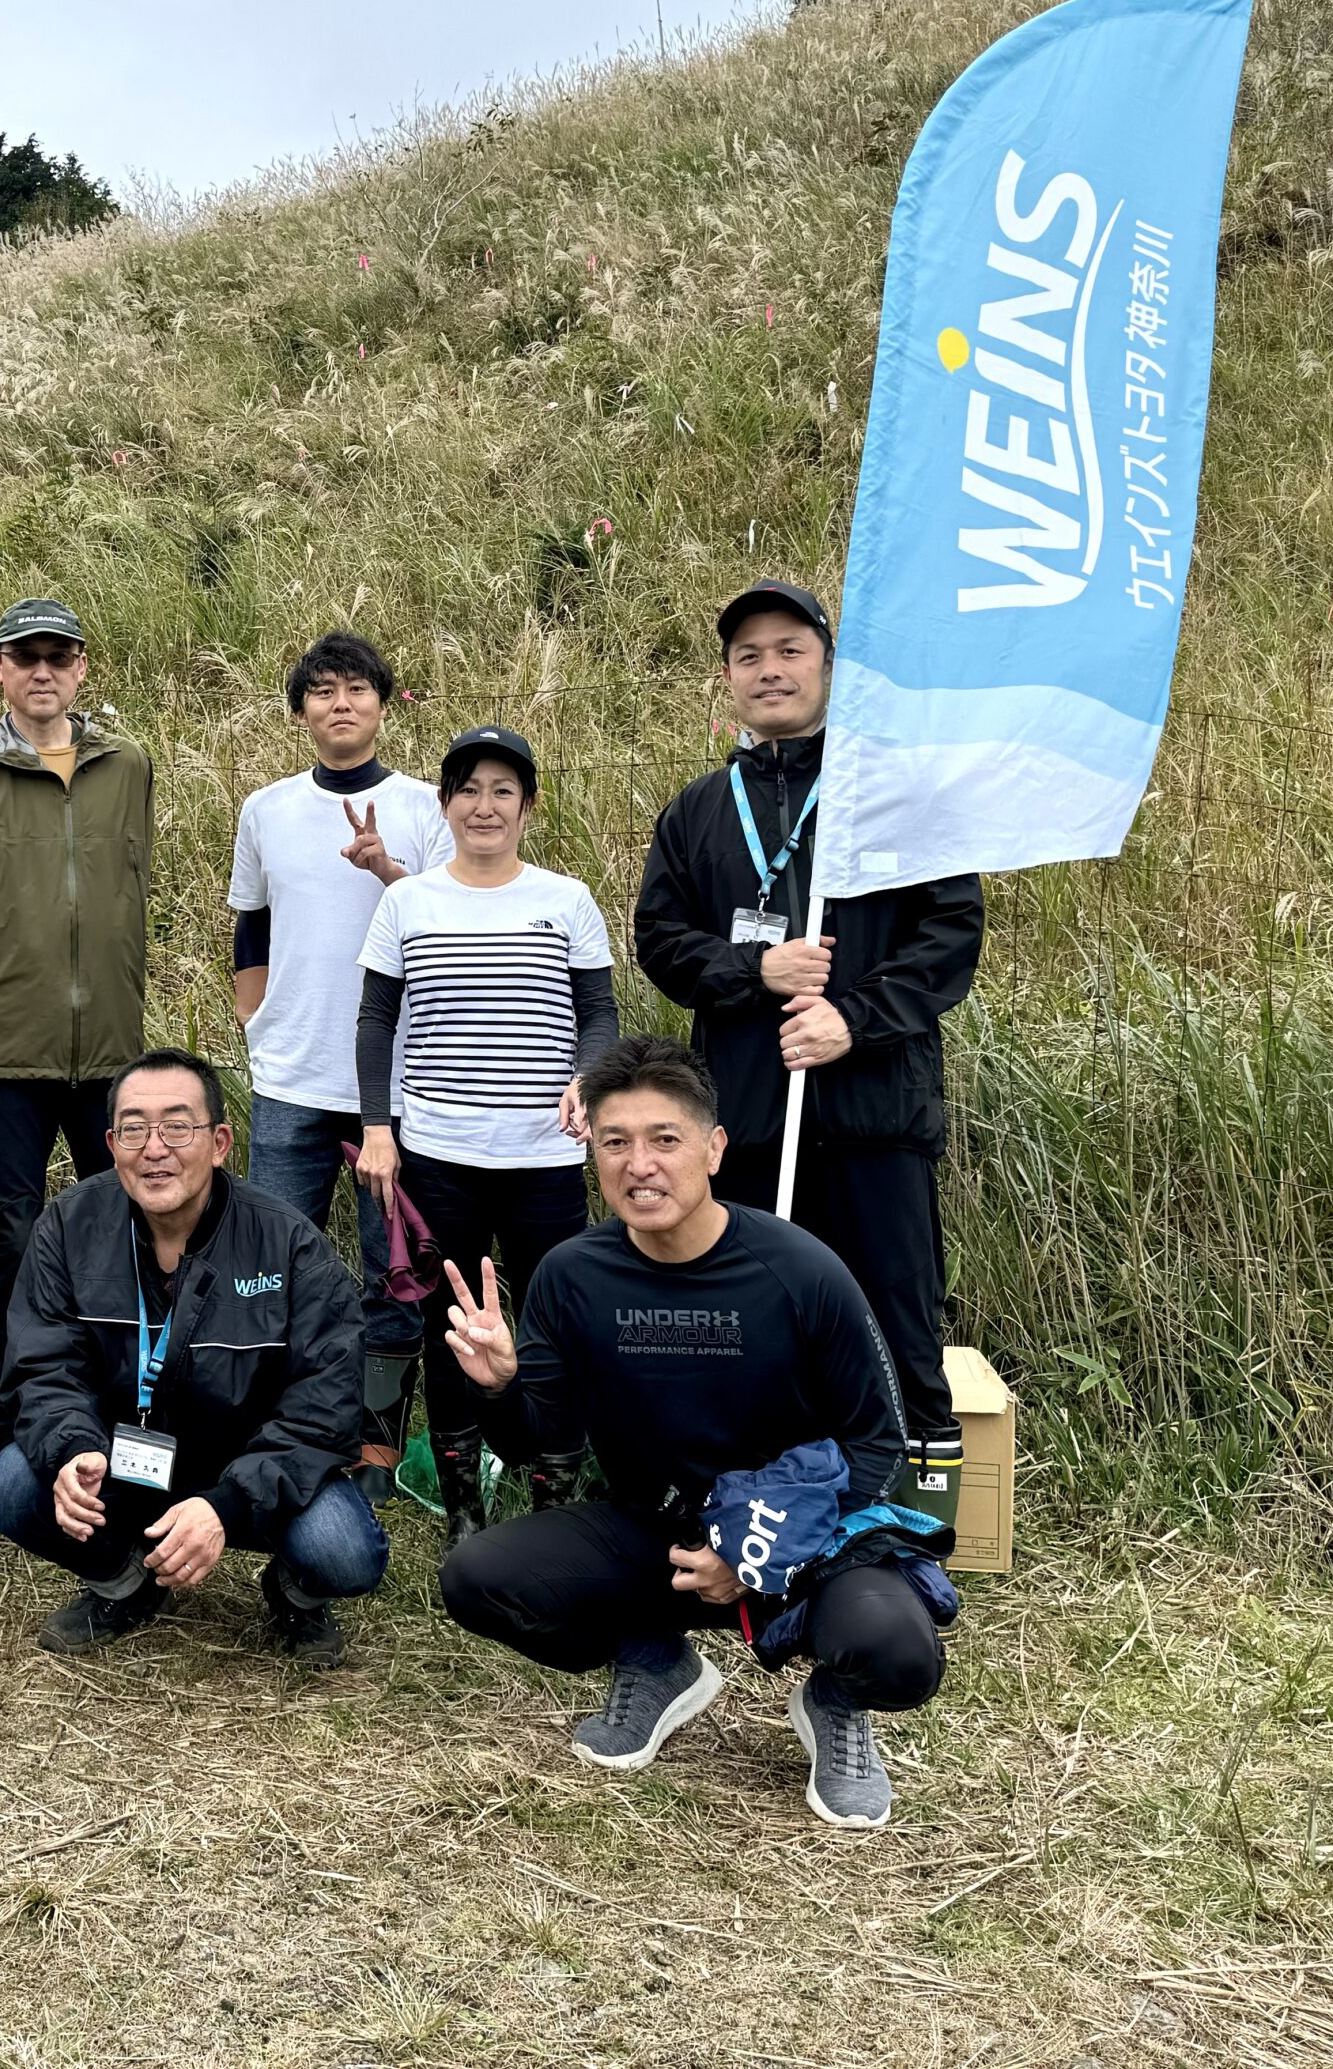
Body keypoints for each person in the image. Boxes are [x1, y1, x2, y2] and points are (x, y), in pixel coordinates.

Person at [436, 1038, 948, 1830]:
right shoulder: (573, 1276)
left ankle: (837, 1704)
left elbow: (878, 1445)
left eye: (664, 1140)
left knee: (899, 1654)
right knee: (476, 1579)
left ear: (713, 1148)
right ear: (593, 1156)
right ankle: (656, 1658)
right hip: (659, 1534)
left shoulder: (801, 1269)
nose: (639, 1164)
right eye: (615, 1142)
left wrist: (757, 1552)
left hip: (810, 1537)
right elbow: (543, 1442)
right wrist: (501, 1384)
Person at [632, 580, 983, 1482]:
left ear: (828, 666)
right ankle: (762, 1512)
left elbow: (949, 937)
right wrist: (755, 973)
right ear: (727, 678)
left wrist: (851, 1021)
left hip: (872, 1117)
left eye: (790, 650)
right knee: (755, 1315)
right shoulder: (699, 811)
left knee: (897, 1320)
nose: (770, 670)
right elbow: (662, 942)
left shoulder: (898, 793)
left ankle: (914, 1525)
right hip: (746, 1119)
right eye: (749, 656)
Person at [0, 1048, 387, 1667]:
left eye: (178, 1126)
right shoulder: (69, 1225)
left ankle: (293, 1592)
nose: (154, 1149)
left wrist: (227, 1504)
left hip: (250, 1471)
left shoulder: (287, 1243)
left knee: (344, 1551)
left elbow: (327, 1404)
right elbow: (44, 1367)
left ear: (220, 1142)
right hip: (123, 1460)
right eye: (134, 1129)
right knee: (16, 1482)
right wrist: (74, 1450)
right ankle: (122, 1581)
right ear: (111, 1142)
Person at [0, 596, 154, 1458]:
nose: (42, 671)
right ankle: (8, 1422)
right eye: (25, 656)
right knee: (9, 1239)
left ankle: (121, 1408)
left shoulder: (128, 765)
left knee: (124, 1233)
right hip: (3, 1053)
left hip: (111, 1054)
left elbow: (131, 890)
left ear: (82, 668)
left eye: (59, 656)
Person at [352, 727, 616, 1541]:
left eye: (503, 790)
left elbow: (599, 1013)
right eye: (468, 789)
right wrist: (377, 1128)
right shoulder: (409, 900)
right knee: (449, 1326)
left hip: (543, 1158)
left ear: (528, 807)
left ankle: (551, 1498)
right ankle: (465, 1505)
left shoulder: (565, 899)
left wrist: (588, 1079)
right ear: (444, 805)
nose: (485, 805)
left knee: (551, 1320)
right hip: (437, 1157)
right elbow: (375, 1020)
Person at [228, 630, 452, 1499]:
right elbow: (251, 925)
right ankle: (274, 1427)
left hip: (395, 1086)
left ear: (384, 704)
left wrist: (385, 867)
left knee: (391, 1271)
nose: (341, 703)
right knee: (268, 1260)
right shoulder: (267, 809)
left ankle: (375, 1455)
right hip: (289, 1075)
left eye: (358, 688)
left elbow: (445, 922)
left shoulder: (427, 805)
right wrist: (257, 1021)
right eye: (322, 691)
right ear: (301, 712)